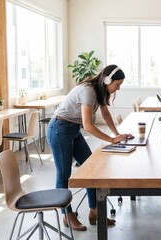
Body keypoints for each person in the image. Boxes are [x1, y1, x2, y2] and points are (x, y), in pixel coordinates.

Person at [47, 65, 133, 231]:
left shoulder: (100, 91)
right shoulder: (88, 91)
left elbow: (105, 113)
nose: (118, 88)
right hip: (59, 129)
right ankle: (67, 215)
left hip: (72, 128)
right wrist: (111, 139)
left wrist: (117, 134)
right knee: (64, 175)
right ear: (107, 80)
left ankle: (95, 212)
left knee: (91, 169)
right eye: (117, 84)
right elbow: (88, 125)